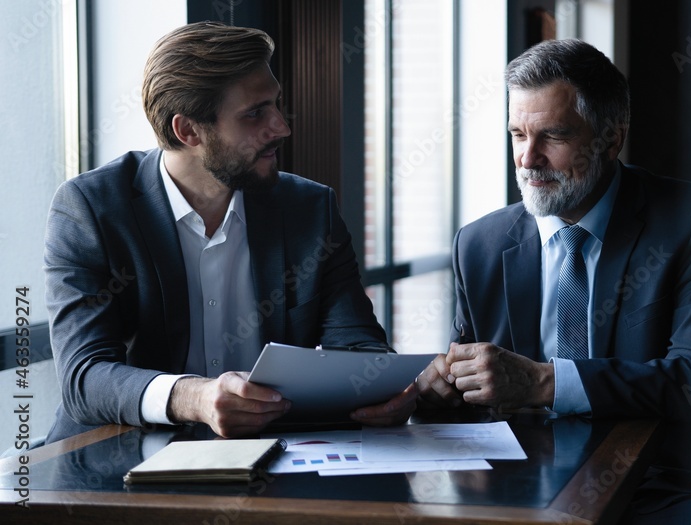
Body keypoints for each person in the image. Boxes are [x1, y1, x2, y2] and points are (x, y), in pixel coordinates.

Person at [416, 39, 691, 522]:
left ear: (611, 139)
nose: (527, 159)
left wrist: (544, 382)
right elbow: (471, 392)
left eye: (552, 137)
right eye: (516, 135)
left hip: (665, 484)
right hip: (524, 486)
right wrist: (440, 392)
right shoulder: (479, 244)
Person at [43, 22, 415, 443]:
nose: (281, 127)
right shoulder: (90, 208)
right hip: (118, 459)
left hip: (273, 458)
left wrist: (388, 391)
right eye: (255, 113)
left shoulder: (310, 209)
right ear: (189, 131)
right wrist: (193, 397)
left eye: (276, 104)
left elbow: (359, 348)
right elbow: (84, 375)